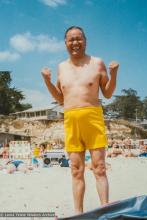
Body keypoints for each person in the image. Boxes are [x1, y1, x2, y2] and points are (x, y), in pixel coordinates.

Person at [41, 26, 119, 214]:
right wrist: (47, 81)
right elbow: (61, 99)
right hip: (71, 119)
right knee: (76, 169)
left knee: (99, 168)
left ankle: (105, 211)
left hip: (93, 117)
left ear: (85, 40)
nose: (75, 42)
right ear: (65, 43)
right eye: (71, 39)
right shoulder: (61, 67)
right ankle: (78, 214)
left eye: (79, 38)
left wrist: (114, 73)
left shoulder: (97, 63)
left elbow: (107, 94)